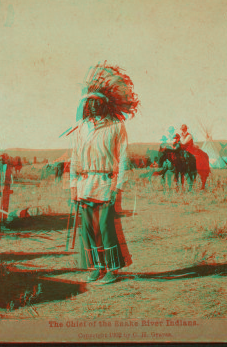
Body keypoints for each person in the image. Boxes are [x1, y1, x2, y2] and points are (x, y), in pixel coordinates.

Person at [70, 62, 138, 284]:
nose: (94, 106)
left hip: (106, 182)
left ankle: (113, 268)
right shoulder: (82, 128)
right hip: (85, 183)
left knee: (107, 227)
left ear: (105, 105)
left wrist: (118, 186)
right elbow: (75, 158)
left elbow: (123, 158)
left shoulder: (116, 127)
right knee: (90, 229)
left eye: (98, 102)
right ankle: (97, 266)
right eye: (90, 102)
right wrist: (73, 186)